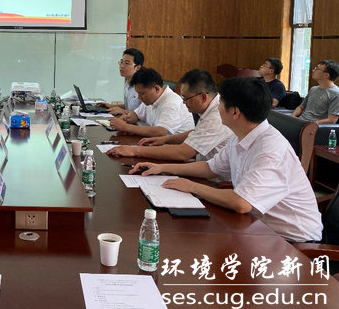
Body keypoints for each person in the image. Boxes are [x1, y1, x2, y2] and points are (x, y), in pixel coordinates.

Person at [131, 77, 322, 243]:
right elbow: (210, 168)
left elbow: (242, 203)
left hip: (293, 242)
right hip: (256, 227)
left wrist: (192, 186)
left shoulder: (270, 149)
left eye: (221, 103)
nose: (217, 107)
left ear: (235, 112)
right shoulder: (242, 135)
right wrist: (162, 168)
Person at [108, 69, 233, 161]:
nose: (183, 102)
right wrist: (166, 139)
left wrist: (133, 150)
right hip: (199, 165)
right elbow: (196, 132)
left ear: (203, 97)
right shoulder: (211, 109)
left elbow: (182, 152)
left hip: (212, 179)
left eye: (186, 98)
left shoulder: (216, 116)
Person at [108, 68, 194, 137]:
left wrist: (126, 127)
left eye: (142, 93)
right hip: (157, 145)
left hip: (175, 149)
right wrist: (126, 119)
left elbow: (160, 131)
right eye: (138, 93)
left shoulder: (171, 103)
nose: (139, 97)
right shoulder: (150, 99)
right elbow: (136, 114)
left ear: (156, 89)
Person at [292, 59, 339, 124]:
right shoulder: (313, 89)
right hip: (301, 122)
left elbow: (332, 120)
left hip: (314, 126)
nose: (313, 70)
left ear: (326, 75)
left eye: (316, 69)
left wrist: (311, 124)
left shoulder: (336, 94)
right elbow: (301, 107)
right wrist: (292, 117)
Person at [102, 48, 144, 116]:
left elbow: (143, 113)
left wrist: (123, 111)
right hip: (128, 119)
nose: (121, 66)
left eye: (127, 63)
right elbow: (128, 106)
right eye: (121, 62)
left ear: (137, 67)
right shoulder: (128, 82)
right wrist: (110, 106)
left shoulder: (142, 86)